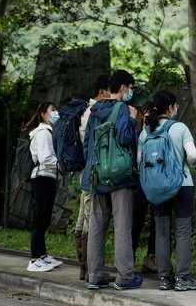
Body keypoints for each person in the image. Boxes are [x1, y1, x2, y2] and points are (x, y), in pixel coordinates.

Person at [81, 70, 142, 291]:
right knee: (122, 227)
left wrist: (93, 169)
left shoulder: (95, 109)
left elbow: (87, 144)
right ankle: (125, 277)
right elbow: (125, 138)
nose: (132, 92)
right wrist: (133, 121)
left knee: (97, 227)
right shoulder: (123, 109)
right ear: (123, 88)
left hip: (97, 176)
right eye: (131, 87)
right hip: (119, 177)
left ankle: (95, 276)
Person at [137, 90, 196, 291]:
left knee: (162, 232)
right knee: (182, 232)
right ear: (171, 108)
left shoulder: (146, 131)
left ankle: (164, 278)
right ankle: (182, 278)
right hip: (182, 185)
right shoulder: (180, 127)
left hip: (156, 187)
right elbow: (192, 156)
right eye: (176, 105)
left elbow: (139, 161)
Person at [73, 74, 110, 281]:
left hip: (86, 173)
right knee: (90, 221)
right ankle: (89, 270)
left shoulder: (87, 111)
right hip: (92, 173)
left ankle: (84, 268)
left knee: (81, 220)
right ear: (103, 92)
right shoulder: (94, 113)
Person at [23, 101, 64, 272]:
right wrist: (62, 165)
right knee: (40, 218)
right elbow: (45, 158)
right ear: (43, 115)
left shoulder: (48, 132)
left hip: (48, 177)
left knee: (45, 218)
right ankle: (34, 259)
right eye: (52, 110)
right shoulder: (43, 133)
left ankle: (42, 255)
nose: (56, 113)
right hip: (42, 178)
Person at [131, 101, 157, 273]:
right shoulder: (136, 133)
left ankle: (151, 258)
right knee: (136, 221)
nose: (147, 117)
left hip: (154, 181)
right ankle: (129, 256)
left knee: (156, 221)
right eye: (145, 114)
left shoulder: (157, 133)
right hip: (140, 182)